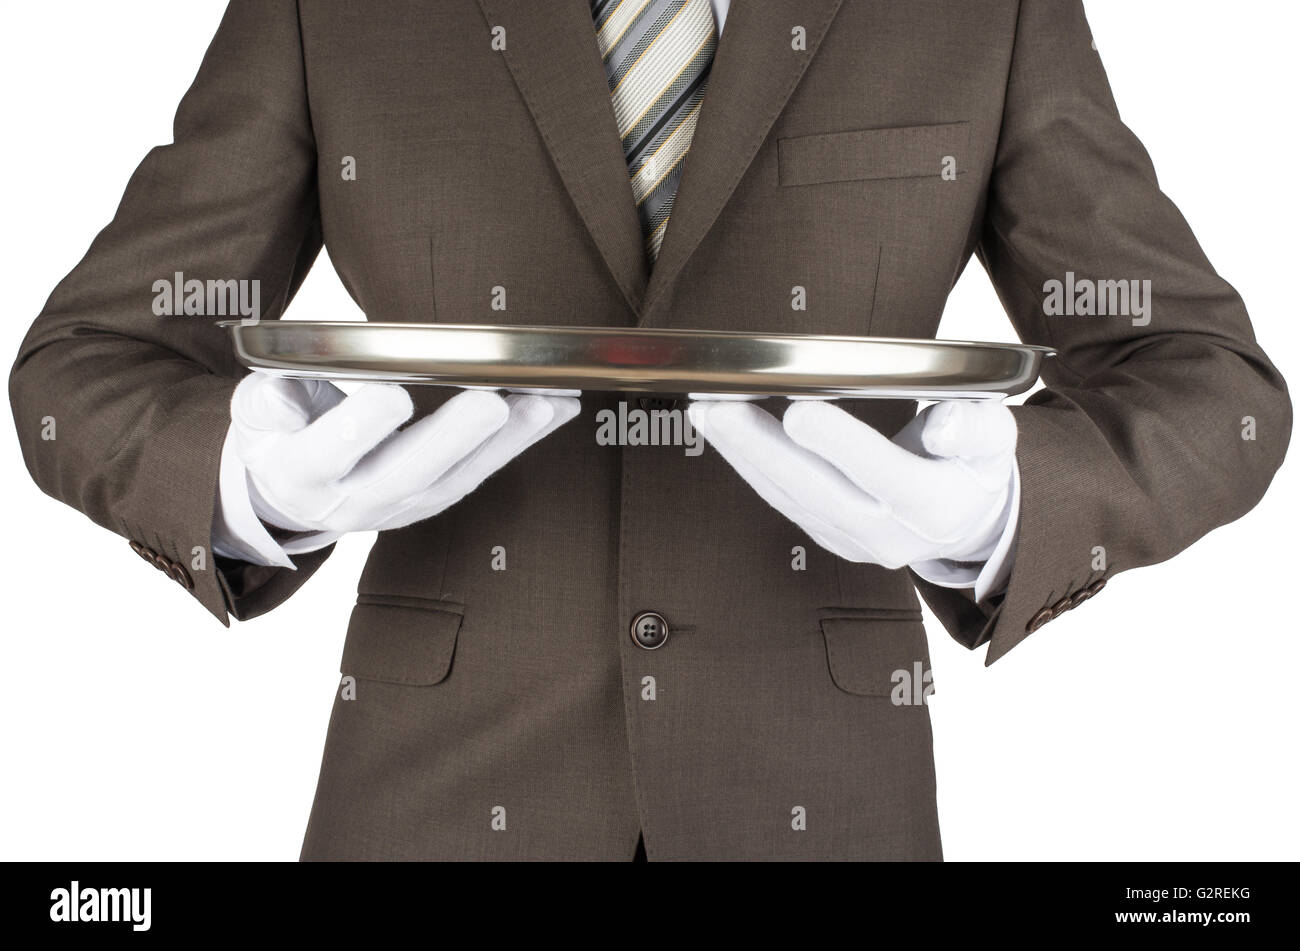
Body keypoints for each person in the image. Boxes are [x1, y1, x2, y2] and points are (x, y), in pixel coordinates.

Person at [10, 0, 1290, 861]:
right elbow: (88, 360)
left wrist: (1010, 509)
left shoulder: (981, 15)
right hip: (434, 797)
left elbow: (1210, 381)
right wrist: (248, 488)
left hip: (824, 796)